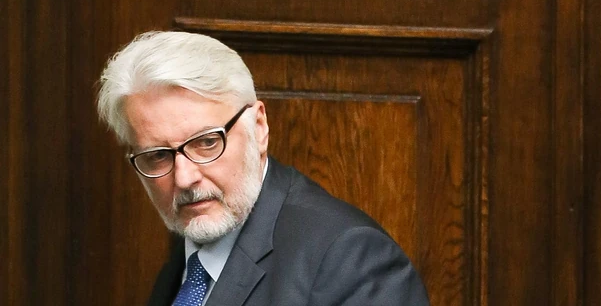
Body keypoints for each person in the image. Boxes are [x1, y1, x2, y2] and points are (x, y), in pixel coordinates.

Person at [96, 30, 429, 306]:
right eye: (158, 156)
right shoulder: (191, 247)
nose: (184, 178)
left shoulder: (350, 260)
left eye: (207, 142)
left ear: (258, 127)